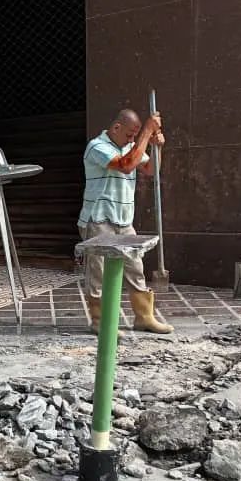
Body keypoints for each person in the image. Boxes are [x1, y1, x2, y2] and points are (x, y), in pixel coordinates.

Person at [79, 109, 172, 335]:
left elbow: (150, 170)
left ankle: (144, 317)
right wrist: (147, 132)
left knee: (135, 269)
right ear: (116, 127)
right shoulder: (96, 146)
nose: (132, 139)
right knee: (98, 272)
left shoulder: (131, 146)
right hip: (98, 218)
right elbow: (126, 166)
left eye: (135, 135)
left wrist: (156, 147)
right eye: (130, 134)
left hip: (123, 219)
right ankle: (99, 321)